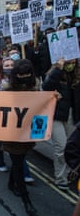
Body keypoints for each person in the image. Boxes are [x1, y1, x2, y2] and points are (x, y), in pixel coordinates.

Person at [2, 59, 38, 216]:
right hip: (12, 135)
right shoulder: (7, 90)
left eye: (27, 74)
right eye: (21, 74)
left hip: (27, 133)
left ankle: (11, 183)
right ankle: (26, 201)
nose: (24, 77)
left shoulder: (35, 88)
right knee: (18, 164)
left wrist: (52, 98)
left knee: (20, 160)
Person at [42, 57, 80, 191]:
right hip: (56, 115)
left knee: (71, 148)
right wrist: (58, 69)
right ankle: (60, 178)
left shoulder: (76, 77)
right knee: (61, 147)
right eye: (68, 62)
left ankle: (70, 174)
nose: (71, 64)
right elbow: (46, 87)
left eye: (74, 62)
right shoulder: (55, 74)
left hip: (71, 116)